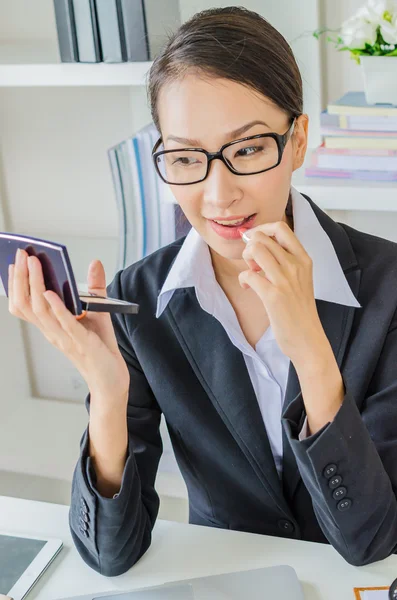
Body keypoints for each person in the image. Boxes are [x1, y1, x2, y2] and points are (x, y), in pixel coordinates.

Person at [7, 5, 397, 578]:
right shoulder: (139, 298)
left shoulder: (388, 285)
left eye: (247, 150)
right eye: (187, 158)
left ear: (297, 141)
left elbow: (373, 540)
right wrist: (108, 398)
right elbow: (110, 554)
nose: (219, 195)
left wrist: (312, 354)